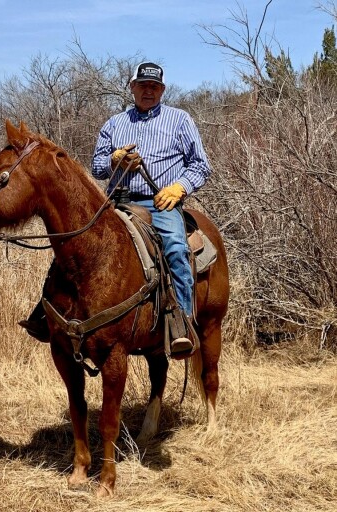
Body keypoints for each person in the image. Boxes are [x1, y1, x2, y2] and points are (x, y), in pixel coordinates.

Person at [91, 62, 211, 354]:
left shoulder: (180, 120)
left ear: (162, 90)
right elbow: (96, 168)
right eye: (143, 85)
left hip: (160, 203)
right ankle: (49, 315)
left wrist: (178, 188)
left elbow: (201, 165)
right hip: (117, 203)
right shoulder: (114, 124)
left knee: (175, 250)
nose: (149, 91)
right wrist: (114, 159)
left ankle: (182, 324)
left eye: (154, 87)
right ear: (132, 87)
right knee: (79, 245)